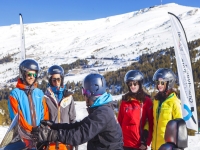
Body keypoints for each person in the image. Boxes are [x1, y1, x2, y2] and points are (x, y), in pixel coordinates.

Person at [31, 73, 123, 150]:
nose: (84, 96)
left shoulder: (102, 114)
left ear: (90, 93)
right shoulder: (103, 110)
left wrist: (51, 135)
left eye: (84, 93)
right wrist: (55, 126)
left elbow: (79, 135)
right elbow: (80, 126)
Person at [8, 59, 49, 148]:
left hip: (39, 137)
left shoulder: (39, 93)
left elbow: (44, 114)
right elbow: (17, 118)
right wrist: (31, 130)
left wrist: (41, 129)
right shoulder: (15, 94)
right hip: (23, 139)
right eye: (29, 74)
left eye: (34, 74)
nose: (32, 77)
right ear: (23, 74)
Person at [118, 70, 153, 150]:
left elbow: (151, 123)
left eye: (135, 83)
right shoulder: (125, 101)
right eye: (130, 84)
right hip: (124, 143)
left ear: (140, 84)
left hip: (139, 144)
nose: (132, 86)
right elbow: (119, 121)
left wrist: (146, 142)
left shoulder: (146, 101)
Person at [45, 65, 76, 150]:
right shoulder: (46, 98)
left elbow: (72, 119)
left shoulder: (68, 98)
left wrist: (74, 137)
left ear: (62, 79)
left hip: (66, 140)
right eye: (54, 80)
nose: (56, 83)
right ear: (50, 81)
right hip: (51, 140)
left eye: (58, 79)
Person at [151, 68, 183, 150]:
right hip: (154, 146)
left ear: (169, 83)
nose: (159, 85)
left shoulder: (174, 101)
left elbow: (179, 125)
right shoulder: (156, 100)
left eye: (162, 83)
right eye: (158, 83)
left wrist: (178, 146)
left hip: (167, 146)